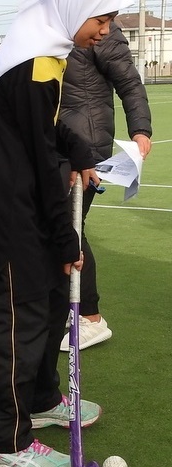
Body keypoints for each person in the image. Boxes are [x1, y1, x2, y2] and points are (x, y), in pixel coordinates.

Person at [0, 0, 133, 467]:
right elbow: (37, 158)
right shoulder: (35, 62)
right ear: (76, 5)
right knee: (18, 329)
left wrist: (80, 153)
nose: (104, 30)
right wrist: (67, 237)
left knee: (52, 305)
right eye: (101, 18)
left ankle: (40, 401)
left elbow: (46, 129)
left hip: (26, 205)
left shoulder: (48, 52)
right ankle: (3, 446)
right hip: (11, 217)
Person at [57, 21, 153, 352]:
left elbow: (129, 81)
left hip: (85, 144)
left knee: (71, 227)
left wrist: (140, 129)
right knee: (59, 225)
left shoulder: (100, 29)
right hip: (57, 143)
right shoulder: (60, 25)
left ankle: (91, 318)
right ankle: (66, 310)